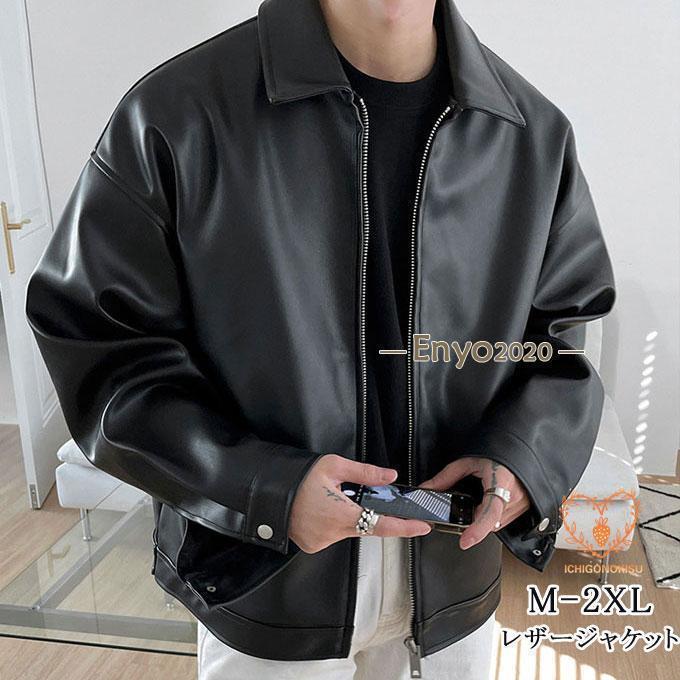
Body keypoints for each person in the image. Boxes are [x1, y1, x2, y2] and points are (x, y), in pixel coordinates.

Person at [24, 0, 616, 677]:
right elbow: (100, 345)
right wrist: (265, 490)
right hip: (266, 581)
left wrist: (520, 459)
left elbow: (558, 342)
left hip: (454, 585)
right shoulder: (178, 114)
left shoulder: (532, 136)